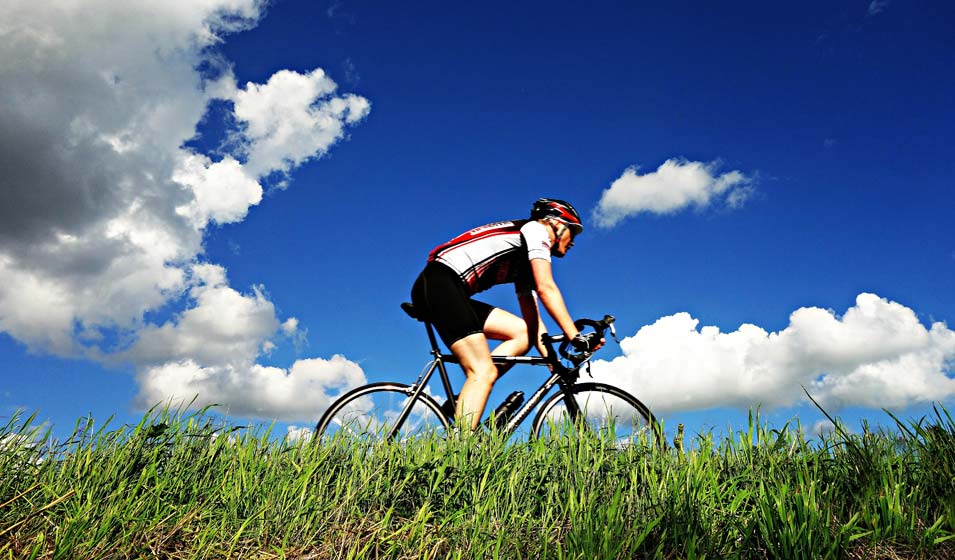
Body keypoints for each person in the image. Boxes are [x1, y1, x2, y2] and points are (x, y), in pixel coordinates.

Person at [410, 198, 602, 430]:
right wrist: (575, 336)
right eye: (573, 232)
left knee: (521, 333)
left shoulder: (523, 261)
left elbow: (533, 323)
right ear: (557, 224)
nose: (573, 242)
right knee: (482, 370)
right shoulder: (536, 230)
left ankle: (465, 397)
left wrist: (551, 359)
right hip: (439, 283)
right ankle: (459, 451)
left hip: (446, 288)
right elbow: (546, 288)